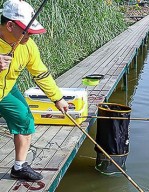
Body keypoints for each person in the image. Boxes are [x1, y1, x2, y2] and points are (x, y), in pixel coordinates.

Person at [0, 0, 69, 181]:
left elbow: (41, 73)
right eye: (27, 31)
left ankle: (19, 167)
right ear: (9, 25)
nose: (30, 35)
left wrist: (57, 98)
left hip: (5, 91)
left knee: (24, 119)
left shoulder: (27, 46)